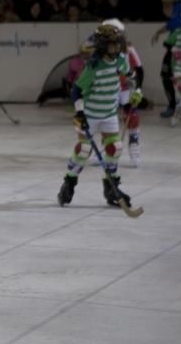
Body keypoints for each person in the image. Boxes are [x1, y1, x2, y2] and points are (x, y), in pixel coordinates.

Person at [57, 23, 134, 209]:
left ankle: (111, 188)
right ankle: (69, 182)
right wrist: (80, 111)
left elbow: (129, 76)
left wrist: (133, 94)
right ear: (102, 45)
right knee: (84, 149)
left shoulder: (121, 60)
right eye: (112, 44)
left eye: (118, 44)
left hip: (109, 114)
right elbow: (76, 90)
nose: (116, 48)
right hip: (90, 115)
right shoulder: (93, 66)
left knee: (114, 148)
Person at [101, 19, 145, 166]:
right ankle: (106, 148)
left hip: (125, 89)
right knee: (106, 119)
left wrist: (138, 88)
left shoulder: (129, 50)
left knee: (131, 115)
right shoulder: (99, 52)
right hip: (108, 90)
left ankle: (134, 146)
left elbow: (139, 70)